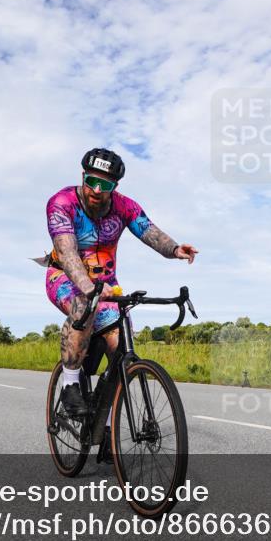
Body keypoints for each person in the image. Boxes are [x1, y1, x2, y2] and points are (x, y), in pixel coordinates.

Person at [42, 148, 197, 461]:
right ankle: (71, 385)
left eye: (106, 186)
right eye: (91, 182)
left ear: (115, 186)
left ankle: (109, 428)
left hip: (107, 286)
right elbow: (69, 253)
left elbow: (148, 230)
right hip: (65, 279)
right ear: (82, 176)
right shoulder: (62, 203)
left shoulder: (124, 207)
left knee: (121, 349)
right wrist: (87, 287)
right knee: (86, 305)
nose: (97, 191)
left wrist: (174, 249)